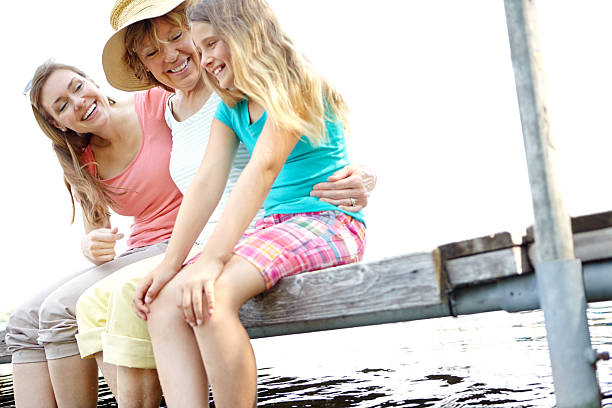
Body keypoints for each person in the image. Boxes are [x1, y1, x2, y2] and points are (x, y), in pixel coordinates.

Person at [72, 0, 376, 406]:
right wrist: (168, 266)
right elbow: (205, 184)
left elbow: (263, 168)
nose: (206, 57)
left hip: (326, 220)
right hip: (275, 225)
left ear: (247, 34)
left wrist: (212, 260)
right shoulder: (231, 108)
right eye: (203, 45)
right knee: (164, 304)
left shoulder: (291, 82)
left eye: (212, 43)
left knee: (210, 300)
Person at [5, 61, 181, 408]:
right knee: (23, 320)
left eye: (77, 87)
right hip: (140, 250)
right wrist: (91, 245)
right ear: (59, 124)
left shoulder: (156, 104)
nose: (78, 101)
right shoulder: (83, 160)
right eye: (62, 106)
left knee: (58, 310)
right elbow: (97, 238)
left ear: (92, 80)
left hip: (184, 239)